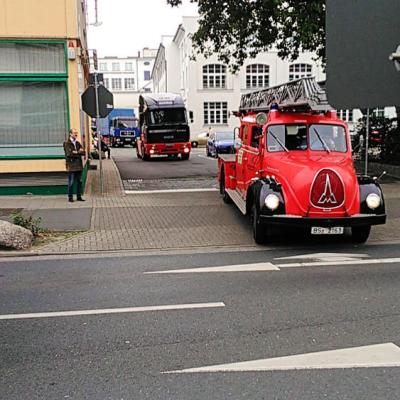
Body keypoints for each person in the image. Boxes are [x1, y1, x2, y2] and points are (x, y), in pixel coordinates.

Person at [63, 128, 86, 202]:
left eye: (76, 133)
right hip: (72, 166)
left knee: (80, 181)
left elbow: (84, 152)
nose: (76, 134)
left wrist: (76, 152)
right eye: (74, 133)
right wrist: (78, 152)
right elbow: (69, 154)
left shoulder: (78, 143)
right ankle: (70, 197)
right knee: (71, 182)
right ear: (70, 134)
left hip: (79, 165)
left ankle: (79, 196)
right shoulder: (67, 143)